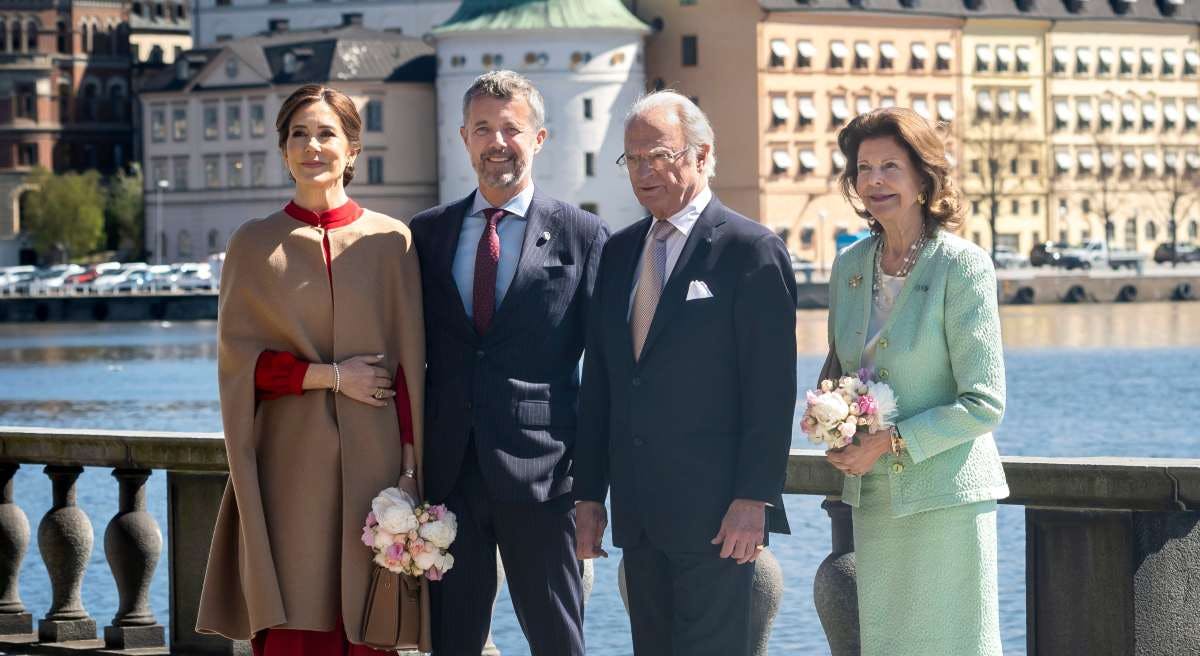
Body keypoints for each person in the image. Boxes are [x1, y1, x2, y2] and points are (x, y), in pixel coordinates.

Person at [196, 84, 429, 654]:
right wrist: (328, 377)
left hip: (376, 472)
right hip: (287, 469)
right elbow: (238, 366)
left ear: (352, 149)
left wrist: (408, 471)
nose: (312, 146)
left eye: (326, 133)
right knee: (297, 627)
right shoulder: (254, 245)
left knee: (371, 624)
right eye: (298, 134)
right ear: (283, 150)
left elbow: (410, 373)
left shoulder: (391, 242)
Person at [573, 90, 796, 656]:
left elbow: (771, 392)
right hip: (639, 515)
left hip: (720, 517)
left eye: (659, 155)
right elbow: (600, 384)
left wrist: (755, 499)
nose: (644, 172)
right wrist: (588, 495)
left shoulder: (751, 250)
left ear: (701, 155)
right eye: (632, 159)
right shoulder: (618, 252)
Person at [408, 70, 607, 656]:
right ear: (463, 138)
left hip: (545, 477)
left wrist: (593, 486)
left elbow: (604, 373)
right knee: (449, 642)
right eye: (484, 129)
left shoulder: (583, 234)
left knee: (557, 640)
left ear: (539, 139)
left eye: (512, 129)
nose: (498, 141)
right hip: (448, 475)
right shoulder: (427, 234)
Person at [823, 107, 1009, 655]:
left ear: (925, 177)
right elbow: (840, 369)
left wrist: (890, 441)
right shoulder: (849, 265)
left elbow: (985, 402)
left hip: (947, 499)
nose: (874, 181)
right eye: (863, 169)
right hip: (877, 498)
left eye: (890, 167)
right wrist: (830, 421)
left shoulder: (963, 266)